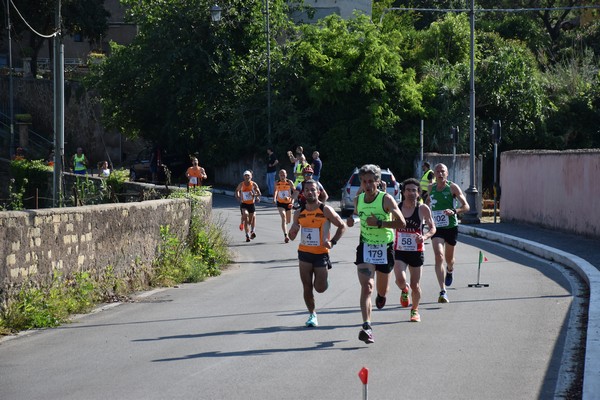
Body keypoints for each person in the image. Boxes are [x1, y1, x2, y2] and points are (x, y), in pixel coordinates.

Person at [346, 164, 406, 344]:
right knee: (367, 287)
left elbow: (401, 223)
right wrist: (351, 220)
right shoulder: (359, 199)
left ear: (378, 182)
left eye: (371, 181)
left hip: (384, 248)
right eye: (364, 182)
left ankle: (382, 297)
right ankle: (367, 326)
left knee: (381, 291)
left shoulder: (386, 199)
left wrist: (380, 223)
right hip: (365, 247)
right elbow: (356, 214)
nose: (368, 185)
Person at [288, 179, 347, 327]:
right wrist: (292, 231)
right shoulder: (299, 212)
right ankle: (312, 314)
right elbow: (292, 235)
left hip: (321, 253)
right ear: (303, 193)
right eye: (307, 190)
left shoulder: (325, 210)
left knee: (319, 288)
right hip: (304, 253)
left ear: (318, 192)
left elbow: (342, 226)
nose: (310, 192)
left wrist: (332, 242)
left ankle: (324, 281)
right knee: (306, 286)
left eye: (313, 189)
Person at [393, 178, 436, 322]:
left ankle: (415, 310)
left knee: (415, 285)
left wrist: (424, 237)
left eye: (414, 190)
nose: (411, 193)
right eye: (408, 190)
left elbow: (432, 228)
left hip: (417, 251)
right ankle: (404, 290)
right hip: (400, 250)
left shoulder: (423, 209)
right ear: (403, 192)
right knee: (400, 280)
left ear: (418, 193)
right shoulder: (397, 207)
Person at [427, 163, 470, 303]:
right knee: (438, 256)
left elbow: (466, 206)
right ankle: (443, 291)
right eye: (437, 171)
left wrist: (454, 211)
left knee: (449, 259)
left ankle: (450, 270)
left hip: (451, 226)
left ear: (447, 174)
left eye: (442, 171)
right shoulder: (430, 188)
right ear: (434, 174)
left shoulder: (452, 187)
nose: (440, 174)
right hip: (436, 227)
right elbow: (428, 203)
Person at [235, 170, 261, 242]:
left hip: (251, 204)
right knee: (246, 215)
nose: (247, 177)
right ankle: (247, 235)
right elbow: (237, 190)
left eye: (248, 175)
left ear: (251, 176)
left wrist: (254, 195)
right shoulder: (241, 184)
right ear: (243, 177)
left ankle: (250, 230)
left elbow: (259, 193)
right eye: (245, 176)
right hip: (244, 204)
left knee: (250, 221)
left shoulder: (254, 184)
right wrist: (238, 195)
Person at [273, 169, 296, 243]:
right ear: (279, 175)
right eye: (281, 175)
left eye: (284, 175)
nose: (282, 176)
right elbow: (275, 191)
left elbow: (295, 192)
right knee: (283, 217)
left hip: (288, 203)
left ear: (286, 175)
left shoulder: (289, 182)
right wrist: (274, 198)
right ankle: (286, 235)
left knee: (288, 221)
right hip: (280, 203)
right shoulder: (277, 182)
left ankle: (285, 227)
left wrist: (291, 200)